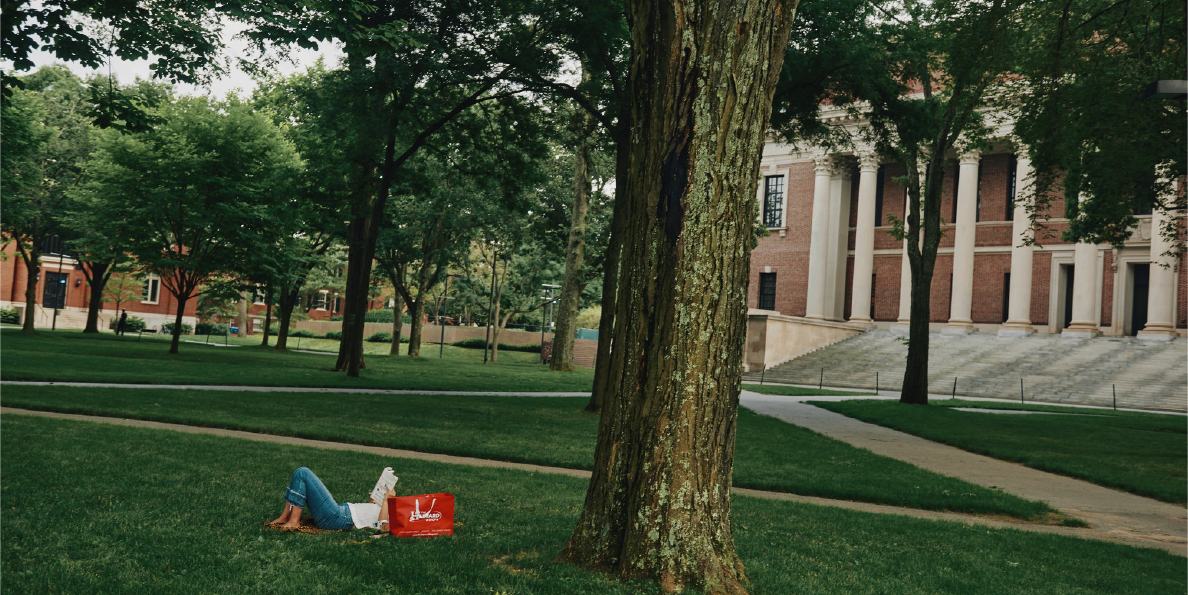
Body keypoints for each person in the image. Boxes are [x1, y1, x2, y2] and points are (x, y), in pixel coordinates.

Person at [268, 467, 394, 531]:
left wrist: (386, 501)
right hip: (341, 512)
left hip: (339, 518)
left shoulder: (398, 519)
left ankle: (294, 522)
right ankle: (286, 517)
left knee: (303, 473)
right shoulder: (395, 507)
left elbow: (382, 528)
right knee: (299, 473)